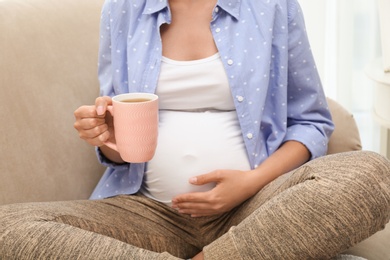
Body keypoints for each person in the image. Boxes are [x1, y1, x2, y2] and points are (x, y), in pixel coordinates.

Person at [0, 0, 389, 259]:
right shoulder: (123, 9)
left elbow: (312, 121)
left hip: (256, 210)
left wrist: (250, 183)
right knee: (9, 228)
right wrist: (107, 136)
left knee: (371, 172)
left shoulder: (271, 6)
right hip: (149, 213)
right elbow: (122, 141)